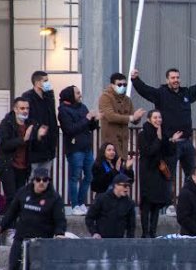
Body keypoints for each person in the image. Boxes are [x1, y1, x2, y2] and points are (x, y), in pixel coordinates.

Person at [0, 168, 66, 270]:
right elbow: (12, 212)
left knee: (25, 269)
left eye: (45, 180)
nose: (41, 183)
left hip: (39, 241)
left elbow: (60, 220)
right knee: (13, 268)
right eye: (38, 180)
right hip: (20, 238)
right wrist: (2, 226)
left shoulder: (54, 198)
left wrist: (59, 233)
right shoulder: (23, 193)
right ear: (33, 180)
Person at [130, 67, 196, 185]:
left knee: (192, 175)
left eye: (177, 77)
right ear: (167, 80)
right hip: (170, 143)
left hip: (187, 142)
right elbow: (145, 90)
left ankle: (190, 201)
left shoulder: (186, 93)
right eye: (172, 78)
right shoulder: (161, 94)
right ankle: (168, 202)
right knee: (168, 175)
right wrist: (135, 79)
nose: (175, 80)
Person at [0, 97, 45, 209]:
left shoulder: (31, 124)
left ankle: (17, 223)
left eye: (27, 108)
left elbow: (34, 146)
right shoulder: (7, 123)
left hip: (23, 166)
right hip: (8, 165)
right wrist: (23, 139)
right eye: (22, 108)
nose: (25, 111)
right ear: (15, 109)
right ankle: (9, 223)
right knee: (11, 196)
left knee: (20, 196)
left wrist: (39, 136)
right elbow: (4, 145)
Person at [58, 85, 100, 215]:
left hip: (87, 147)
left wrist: (94, 120)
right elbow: (69, 129)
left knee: (89, 175)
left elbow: (90, 127)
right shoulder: (64, 110)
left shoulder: (82, 107)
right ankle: (74, 204)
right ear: (70, 95)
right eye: (77, 93)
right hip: (75, 148)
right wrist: (86, 119)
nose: (80, 95)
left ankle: (82, 203)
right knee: (75, 176)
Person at [138, 110, 181, 238]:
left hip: (159, 171)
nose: (158, 120)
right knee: (146, 203)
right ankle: (145, 232)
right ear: (149, 119)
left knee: (156, 204)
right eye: (155, 117)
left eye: (160, 117)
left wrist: (172, 141)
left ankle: (153, 232)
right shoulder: (143, 134)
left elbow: (169, 153)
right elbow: (148, 151)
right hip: (148, 170)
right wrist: (158, 139)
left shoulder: (163, 132)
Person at [99, 73, 145, 160]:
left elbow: (133, 118)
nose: (122, 87)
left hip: (123, 141)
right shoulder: (105, 97)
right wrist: (131, 118)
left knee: (123, 167)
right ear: (112, 85)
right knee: (112, 166)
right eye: (119, 84)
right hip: (111, 140)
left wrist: (138, 117)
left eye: (125, 84)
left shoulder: (127, 99)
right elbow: (110, 116)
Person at [21, 71, 59, 172]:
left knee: (45, 175)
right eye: (45, 81)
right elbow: (27, 118)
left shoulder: (48, 96)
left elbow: (52, 116)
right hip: (35, 143)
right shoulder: (28, 97)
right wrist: (37, 130)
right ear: (37, 83)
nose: (48, 83)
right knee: (34, 176)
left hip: (49, 143)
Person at [85, 173, 136, 238]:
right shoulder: (102, 199)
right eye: (125, 185)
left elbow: (131, 225)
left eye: (129, 186)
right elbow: (89, 217)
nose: (127, 188)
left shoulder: (129, 203)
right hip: (102, 240)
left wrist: (129, 241)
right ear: (116, 185)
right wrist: (94, 232)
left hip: (119, 241)